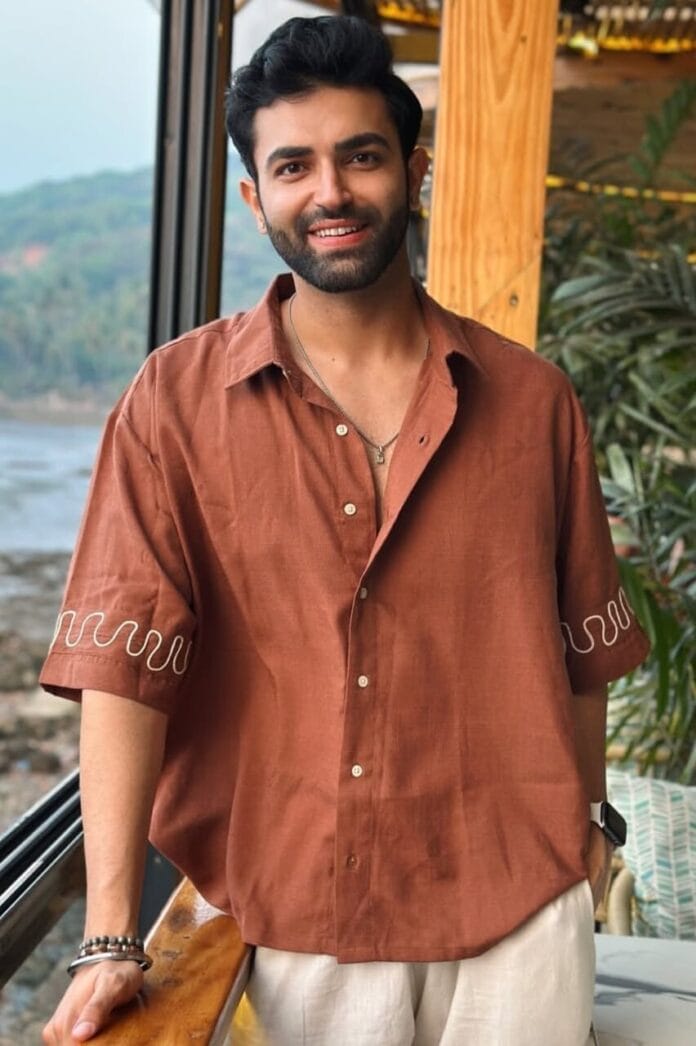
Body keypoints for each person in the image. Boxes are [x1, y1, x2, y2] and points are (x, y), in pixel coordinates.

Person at [41, 15, 650, 1046]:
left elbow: (583, 650)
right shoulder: (172, 404)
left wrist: (589, 831)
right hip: (294, 919)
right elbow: (123, 670)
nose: (330, 191)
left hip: (519, 915)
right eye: (293, 166)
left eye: (361, 156)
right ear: (255, 198)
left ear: (413, 171)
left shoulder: (534, 402)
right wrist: (109, 937)